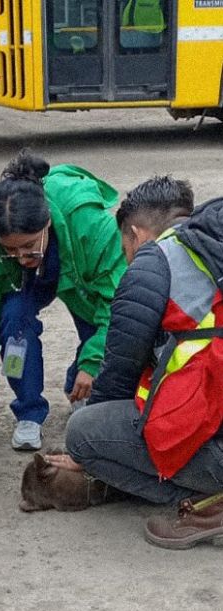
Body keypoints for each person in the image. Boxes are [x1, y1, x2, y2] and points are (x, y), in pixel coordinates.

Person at [51, 177, 223, 549]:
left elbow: (118, 373)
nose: (125, 258)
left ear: (135, 233)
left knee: (83, 431)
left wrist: (87, 454)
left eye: (125, 247)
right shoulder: (213, 244)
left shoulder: (153, 263)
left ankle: (203, 504)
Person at [0, 151, 126, 451]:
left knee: (99, 340)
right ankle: (28, 412)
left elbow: (114, 304)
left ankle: (79, 383)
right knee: (14, 324)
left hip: (79, 275)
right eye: (10, 250)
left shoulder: (87, 220)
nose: (21, 257)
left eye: (28, 246)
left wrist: (91, 364)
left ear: (47, 222)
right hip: (26, 287)